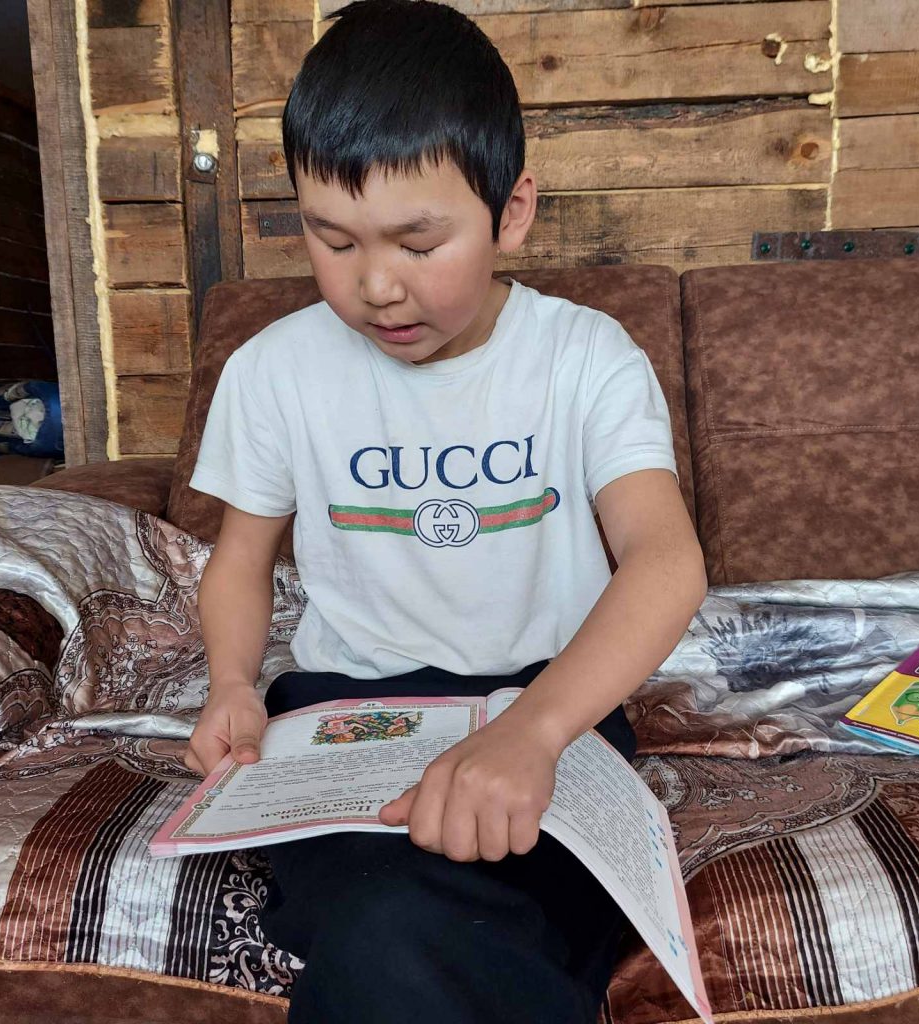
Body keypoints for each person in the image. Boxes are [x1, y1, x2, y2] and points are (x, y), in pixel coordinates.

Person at [182, 1, 707, 1020]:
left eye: (419, 243)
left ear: (511, 211)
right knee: (391, 919)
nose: (377, 286)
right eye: (332, 239)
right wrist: (233, 683)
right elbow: (240, 560)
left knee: (428, 929)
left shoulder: (585, 357)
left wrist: (534, 731)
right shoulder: (272, 370)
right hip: (345, 717)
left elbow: (665, 558)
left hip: (550, 702)